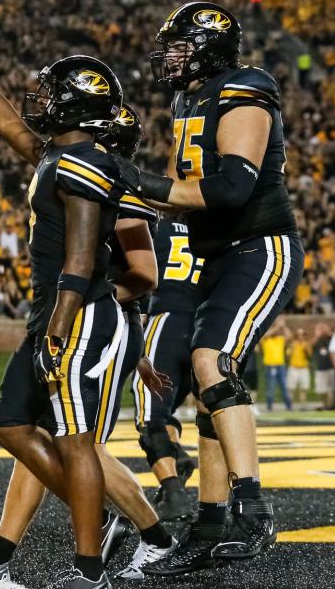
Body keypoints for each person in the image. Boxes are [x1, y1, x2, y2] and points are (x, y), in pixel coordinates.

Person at [0, 21, 170, 588]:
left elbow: (84, 260)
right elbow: (11, 126)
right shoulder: (57, 156)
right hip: (61, 314)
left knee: (75, 440)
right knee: (14, 424)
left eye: (52, 94)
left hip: (79, 316)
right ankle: (106, 529)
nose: (41, 103)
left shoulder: (84, 163)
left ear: (75, 108)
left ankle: (90, 570)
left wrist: (60, 331)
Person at [130, 2, 304, 574]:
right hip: (215, 255)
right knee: (209, 383)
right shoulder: (187, 98)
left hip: (260, 248)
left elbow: (230, 188)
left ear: (209, 46)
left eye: (180, 45)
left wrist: (139, 181)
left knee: (212, 359)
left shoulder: (244, 87)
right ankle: (209, 524)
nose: (170, 56)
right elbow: (185, 190)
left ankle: (252, 508)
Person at [133, 210, 201, 524]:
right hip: (205, 325)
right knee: (168, 407)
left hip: (167, 321)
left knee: (150, 417)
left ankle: (174, 494)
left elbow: (140, 274)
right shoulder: (215, 229)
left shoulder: (156, 226)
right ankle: (178, 455)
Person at [260, 321, 291, 412]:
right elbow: (266, 335)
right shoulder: (266, 339)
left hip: (281, 366)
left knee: (284, 387)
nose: (276, 332)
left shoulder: (280, 339)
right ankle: (269, 408)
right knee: (271, 387)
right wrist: (277, 326)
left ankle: (289, 407)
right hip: (270, 366)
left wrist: (284, 326)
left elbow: (289, 337)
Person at [286, 328, 311, 411]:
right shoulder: (293, 344)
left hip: (304, 368)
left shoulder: (307, 344)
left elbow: (310, 356)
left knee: (304, 388)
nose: (301, 336)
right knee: (291, 388)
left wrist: (306, 350)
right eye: (299, 335)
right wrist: (291, 350)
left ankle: (302, 406)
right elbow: (287, 356)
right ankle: (290, 406)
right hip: (293, 368)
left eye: (302, 335)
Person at [312, 323, 335, 410]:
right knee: (322, 390)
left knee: (332, 389)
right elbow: (310, 345)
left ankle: (331, 405)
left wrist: (327, 331)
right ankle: (325, 405)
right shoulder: (317, 340)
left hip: (330, 367)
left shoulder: (331, 338)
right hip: (320, 368)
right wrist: (317, 335)